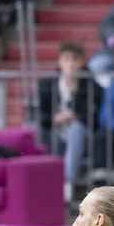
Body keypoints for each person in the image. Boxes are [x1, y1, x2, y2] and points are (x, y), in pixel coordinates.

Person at [38, 42, 102, 202]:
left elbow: (94, 117)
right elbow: (41, 116)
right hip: (55, 132)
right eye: (66, 59)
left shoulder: (91, 84)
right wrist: (54, 118)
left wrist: (75, 115)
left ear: (81, 63)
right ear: (60, 62)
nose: (70, 64)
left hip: (83, 135)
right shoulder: (47, 85)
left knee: (75, 129)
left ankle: (66, 184)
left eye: (75, 60)